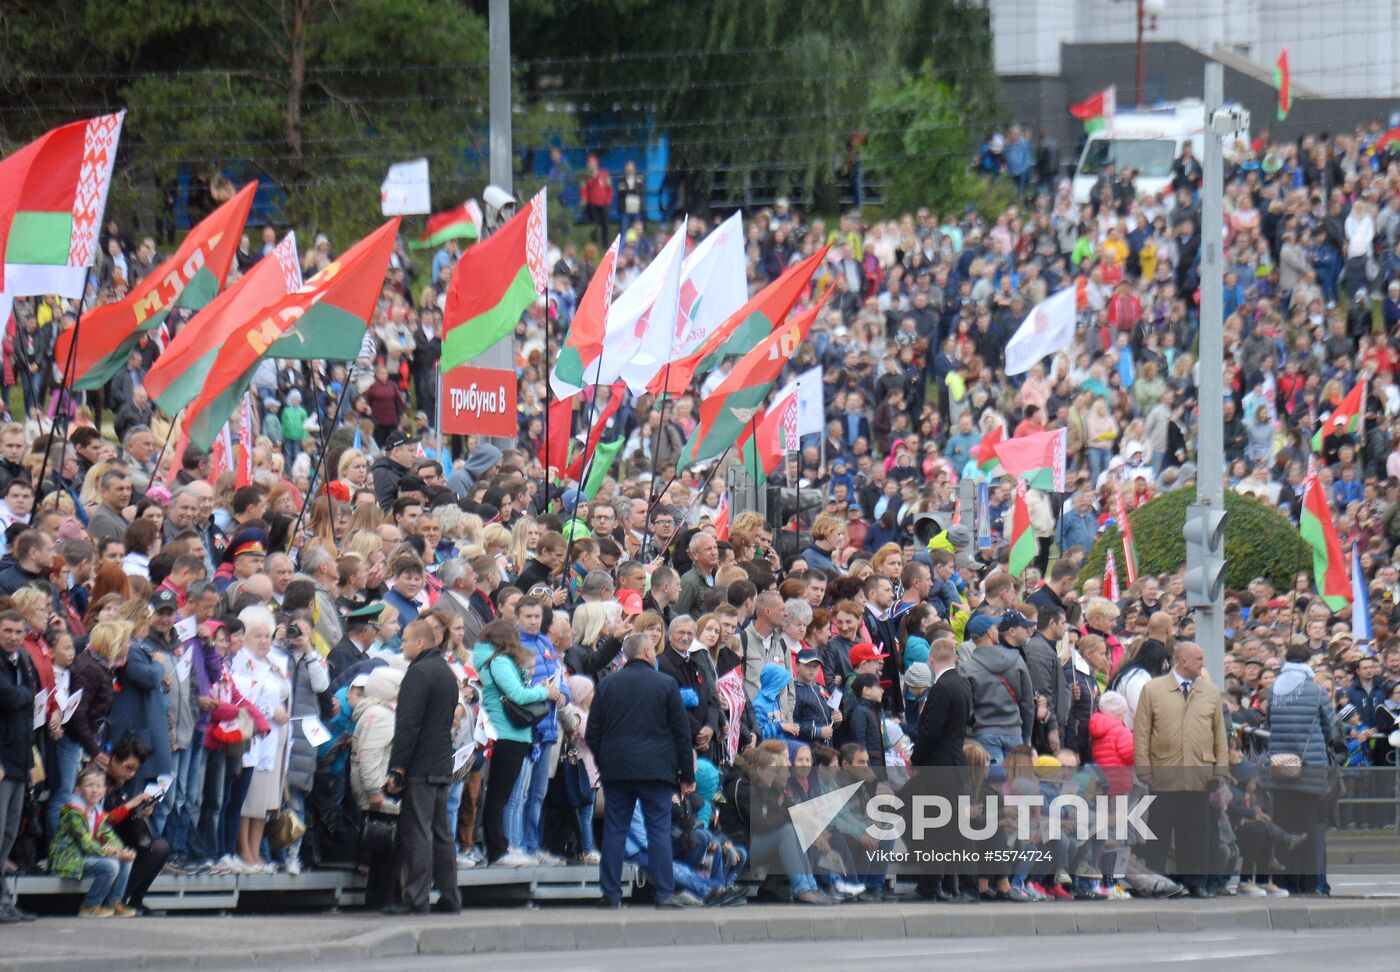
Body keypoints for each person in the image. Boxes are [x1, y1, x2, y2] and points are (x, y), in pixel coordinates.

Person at [585, 632, 695, 909]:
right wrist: (687, 774)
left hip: (617, 769)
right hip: (657, 770)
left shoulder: (608, 684)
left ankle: (610, 894)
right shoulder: (666, 684)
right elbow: (682, 734)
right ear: (647, 652)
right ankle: (664, 893)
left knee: (615, 830)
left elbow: (593, 731)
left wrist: (604, 760)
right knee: (657, 830)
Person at [1133, 641, 1228, 898]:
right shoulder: (1153, 690)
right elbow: (1141, 732)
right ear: (1182, 661)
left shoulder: (1210, 692)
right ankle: (1155, 882)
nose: (1203, 663)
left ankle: (1195, 882)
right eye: (1198, 658)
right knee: (1158, 834)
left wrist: (1220, 771)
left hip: (1199, 775)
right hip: (1163, 774)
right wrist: (1144, 768)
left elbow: (1220, 734)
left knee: (1195, 834)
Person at [384, 619, 463, 914]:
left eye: (405, 640)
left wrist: (398, 768)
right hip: (441, 762)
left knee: (417, 832)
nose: (402, 645)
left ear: (420, 643)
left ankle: (415, 898)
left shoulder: (418, 672)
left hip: (420, 765)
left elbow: (408, 725)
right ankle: (450, 896)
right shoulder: (445, 671)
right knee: (442, 833)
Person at [473, 619, 562, 867]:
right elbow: (518, 694)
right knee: (500, 796)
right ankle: (499, 850)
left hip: (513, 734)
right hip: (507, 733)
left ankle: (501, 847)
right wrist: (545, 692)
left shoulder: (499, 661)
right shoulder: (500, 661)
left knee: (501, 795)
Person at [1264, 642, 1335, 895]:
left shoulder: (1274, 690)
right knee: (1307, 829)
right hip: (1311, 768)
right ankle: (1308, 884)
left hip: (1280, 767)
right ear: (1307, 662)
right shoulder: (1316, 691)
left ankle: (1285, 882)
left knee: (1283, 827)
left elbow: (1270, 722)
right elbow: (1330, 728)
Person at [50, 764, 136, 918]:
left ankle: (113, 903)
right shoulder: (73, 813)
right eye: (89, 785)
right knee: (110, 865)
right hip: (68, 859)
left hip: (86, 857)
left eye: (98, 786)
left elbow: (109, 836)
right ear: (78, 789)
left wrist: (120, 850)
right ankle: (89, 906)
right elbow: (86, 844)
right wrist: (112, 852)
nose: (94, 790)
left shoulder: (97, 812)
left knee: (126, 860)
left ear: (104, 790)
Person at [0, 610, 38, 923]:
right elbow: (9, 697)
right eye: (7, 631)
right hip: (2, 761)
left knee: (9, 832)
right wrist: (26, 695)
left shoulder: (22, 659)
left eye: (18, 631)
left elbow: (27, 702)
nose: (13, 636)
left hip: (18, 757)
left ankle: (3, 900)